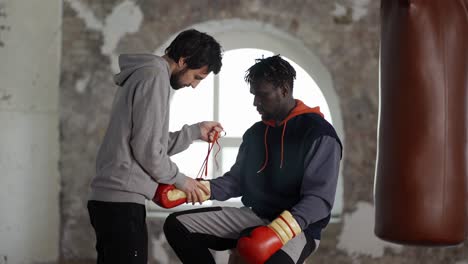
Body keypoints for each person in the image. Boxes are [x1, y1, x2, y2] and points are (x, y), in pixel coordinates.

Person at [163, 55, 343, 264]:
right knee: (177, 225)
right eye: (253, 95)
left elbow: (319, 201)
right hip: (256, 216)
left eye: (262, 95)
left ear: (284, 90)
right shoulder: (256, 133)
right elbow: (236, 182)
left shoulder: (319, 134)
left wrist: (278, 232)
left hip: (299, 227)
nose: (255, 102)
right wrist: (186, 190)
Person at [87, 29, 223, 264]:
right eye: (197, 77)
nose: (194, 85)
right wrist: (182, 180)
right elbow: (147, 150)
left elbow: (149, 142)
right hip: (122, 202)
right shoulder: (154, 76)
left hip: (115, 199)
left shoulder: (147, 74)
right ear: (184, 59)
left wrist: (194, 132)